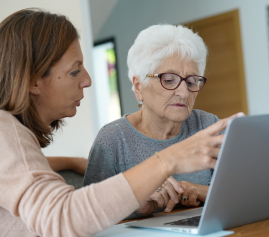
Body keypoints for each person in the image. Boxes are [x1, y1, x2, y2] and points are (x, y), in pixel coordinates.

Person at [0, 9, 240, 237]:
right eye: (74, 71)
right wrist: (169, 159)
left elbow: (18, 176)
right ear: (34, 80)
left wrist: (70, 162)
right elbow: (64, 219)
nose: (88, 80)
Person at [84, 24, 243, 218]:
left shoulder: (208, 125)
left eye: (191, 82)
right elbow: (89, 215)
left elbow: (243, 193)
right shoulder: (112, 140)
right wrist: (135, 205)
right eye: (169, 80)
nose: (184, 93)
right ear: (138, 86)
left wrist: (198, 191)